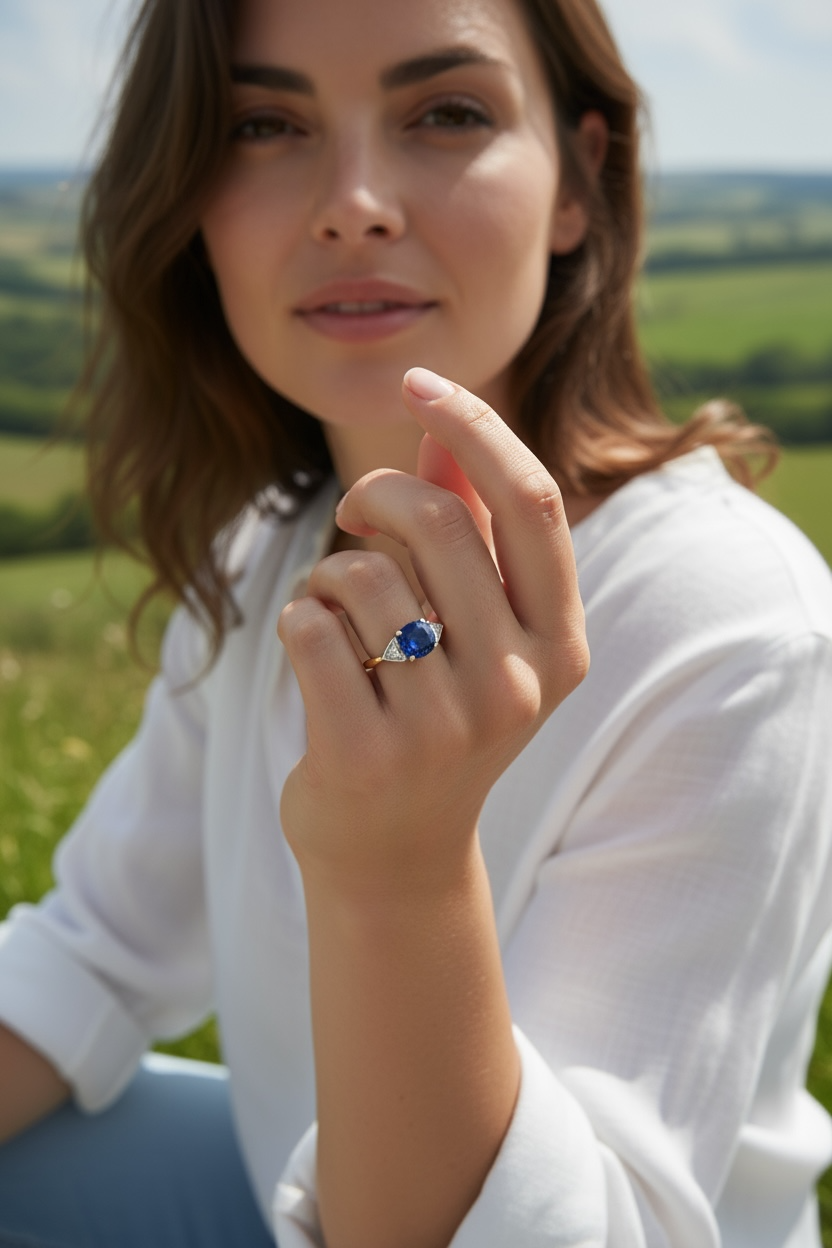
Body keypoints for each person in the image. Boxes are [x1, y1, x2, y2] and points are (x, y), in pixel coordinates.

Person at [1, 0, 831, 1244]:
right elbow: (97, 951)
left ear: (576, 182)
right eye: (265, 123)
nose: (353, 201)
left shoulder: (720, 616)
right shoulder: (268, 544)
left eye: (445, 112)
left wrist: (395, 864)